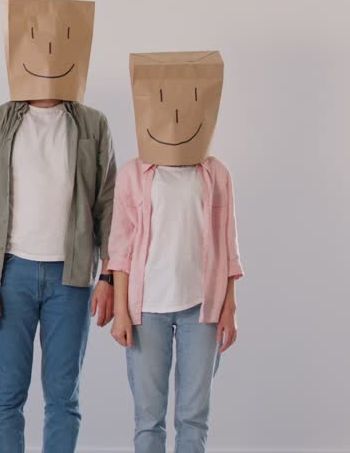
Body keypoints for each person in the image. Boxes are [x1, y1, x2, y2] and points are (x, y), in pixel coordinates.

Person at [0, 0, 117, 452]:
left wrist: (109, 276)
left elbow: (108, 204)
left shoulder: (93, 124)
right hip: (9, 274)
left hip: (72, 277)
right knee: (7, 397)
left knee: (63, 398)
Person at [109, 50, 242, 453]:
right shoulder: (133, 174)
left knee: (193, 417)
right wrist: (121, 311)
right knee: (148, 419)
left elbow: (229, 243)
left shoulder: (216, 174)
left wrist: (230, 307)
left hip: (201, 308)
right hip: (146, 309)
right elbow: (120, 248)